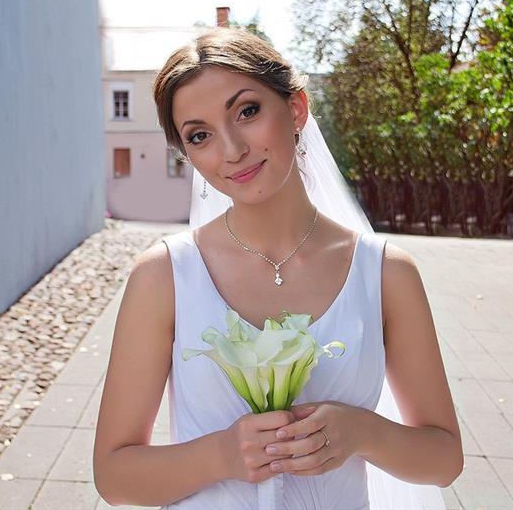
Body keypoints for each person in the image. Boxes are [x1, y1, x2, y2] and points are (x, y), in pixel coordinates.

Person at [93, 26, 462, 509]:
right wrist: (222, 455)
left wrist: (363, 432)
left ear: (296, 109)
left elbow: (443, 460)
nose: (231, 150)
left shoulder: (386, 274)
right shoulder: (165, 276)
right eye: (200, 135)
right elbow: (113, 476)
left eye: (247, 111)